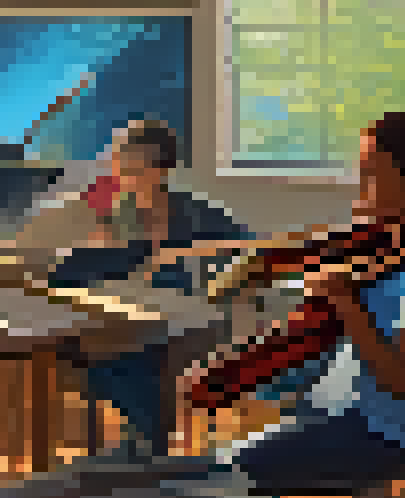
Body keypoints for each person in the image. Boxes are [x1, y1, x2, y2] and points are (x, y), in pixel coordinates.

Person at [155, 112, 405, 498]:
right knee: (208, 470)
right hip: (324, 414)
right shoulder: (373, 260)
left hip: (373, 437)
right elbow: (303, 332)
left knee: (214, 480)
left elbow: (399, 382)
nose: (360, 187)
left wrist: (345, 301)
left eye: (371, 175)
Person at [37, 121, 253, 459]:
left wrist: (187, 258)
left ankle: (147, 444)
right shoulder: (110, 212)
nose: (118, 168)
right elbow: (79, 268)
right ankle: (148, 442)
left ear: (159, 167)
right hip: (125, 313)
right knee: (88, 352)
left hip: (187, 318)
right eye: (119, 160)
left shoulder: (194, 212)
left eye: (129, 162)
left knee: (128, 356)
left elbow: (247, 252)